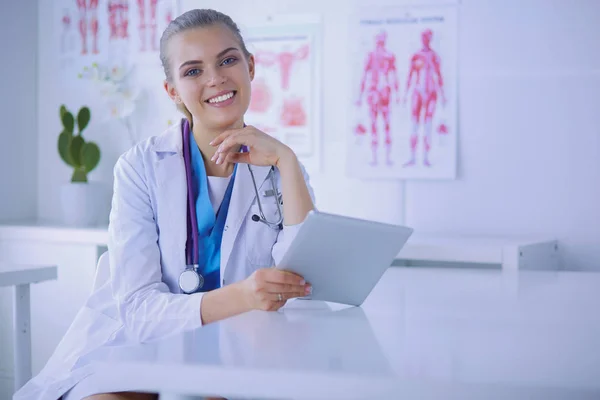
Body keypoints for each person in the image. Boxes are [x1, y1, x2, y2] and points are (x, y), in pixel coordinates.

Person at [14, 8, 315, 400]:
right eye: (193, 71)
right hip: (131, 350)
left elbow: (303, 281)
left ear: (251, 66)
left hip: (237, 349)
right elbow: (137, 311)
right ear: (172, 90)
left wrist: (287, 161)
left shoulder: (280, 167)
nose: (215, 78)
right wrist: (242, 296)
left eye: (228, 59)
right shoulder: (140, 168)